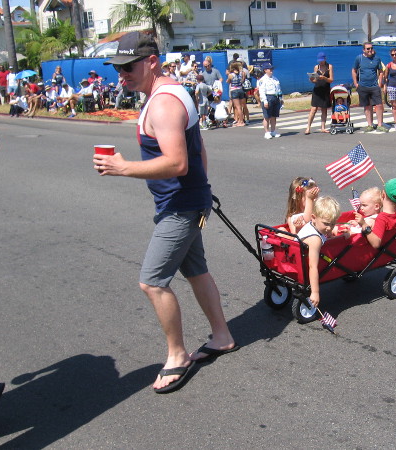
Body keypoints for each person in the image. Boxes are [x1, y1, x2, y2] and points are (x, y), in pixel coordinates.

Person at [96, 31, 239, 394]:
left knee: (152, 281)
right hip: (186, 201)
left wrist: (123, 167)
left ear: (152, 62)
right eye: (117, 69)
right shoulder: (172, 92)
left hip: (180, 207)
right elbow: (198, 148)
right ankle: (222, 336)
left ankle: (177, 355)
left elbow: (177, 162)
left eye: (128, 67)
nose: (122, 75)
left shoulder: (163, 103)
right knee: (196, 271)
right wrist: (201, 188)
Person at [297, 196, 341, 307]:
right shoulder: (315, 239)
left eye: (333, 224)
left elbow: (326, 232)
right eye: (326, 224)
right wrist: (315, 292)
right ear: (313, 217)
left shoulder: (312, 225)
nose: (329, 228)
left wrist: (334, 235)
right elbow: (313, 266)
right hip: (302, 265)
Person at [355, 179, 396, 248]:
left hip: (379, 253)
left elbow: (376, 243)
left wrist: (364, 224)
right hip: (394, 250)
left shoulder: (382, 218)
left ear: (383, 194)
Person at [352, 42, 388, 133]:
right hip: (363, 86)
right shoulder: (359, 58)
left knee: (379, 105)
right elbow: (354, 70)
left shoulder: (376, 58)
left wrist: (380, 83)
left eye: (371, 48)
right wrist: (356, 83)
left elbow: (381, 71)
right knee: (367, 106)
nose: (370, 50)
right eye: (368, 48)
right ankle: (370, 124)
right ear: (364, 50)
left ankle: (380, 125)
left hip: (374, 86)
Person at [304, 51, 334, 135]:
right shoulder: (316, 67)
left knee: (324, 109)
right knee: (313, 109)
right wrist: (311, 79)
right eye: (319, 61)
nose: (321, 62)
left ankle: (323, 127)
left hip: (325, 89)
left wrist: (324, 78)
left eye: (322, 60)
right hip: (317, 90)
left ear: (325, 59)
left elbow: (331, 80)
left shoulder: (329, 67)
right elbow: (315, 80)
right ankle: (308, 127)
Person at [258, 62, 283, 139]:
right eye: (269, 69)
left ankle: (273, 131)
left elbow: (279, 89)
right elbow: (262, 91)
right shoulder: (263, 80)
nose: (271, 70)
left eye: (272, 69)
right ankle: (267, 132)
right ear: (265, 70)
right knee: (267, 117)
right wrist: (265, 101)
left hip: (275, 97)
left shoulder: (275, 78)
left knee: (274, 116)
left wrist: (281, 99)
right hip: (268, 97)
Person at [226, 62, 247, 126]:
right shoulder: (241, 73)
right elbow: (243, 80)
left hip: (234, 90)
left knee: (238, 107)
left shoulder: (231, 75)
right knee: (241, 106)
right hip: (240, 89)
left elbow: (228, 81)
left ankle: (241, 121)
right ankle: (241, 120)